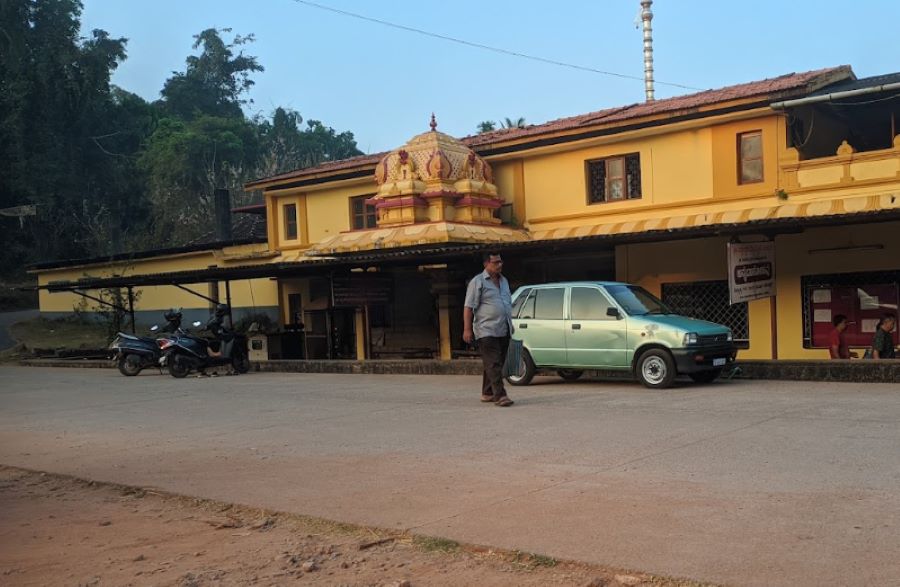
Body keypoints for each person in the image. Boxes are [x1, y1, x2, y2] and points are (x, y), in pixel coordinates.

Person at [463, 251, 514, 407]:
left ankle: (487, 392)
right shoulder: (478, 282)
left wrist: (510, 323)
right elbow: (468, 307)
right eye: (495, 262)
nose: (499, 265)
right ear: (486, 264)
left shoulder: (504, 281)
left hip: (503, 327)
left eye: (500, 262)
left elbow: (506, 304)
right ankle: (500, 395)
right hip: (486, 329)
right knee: (493, 363)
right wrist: (467, 329)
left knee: (495, 362)